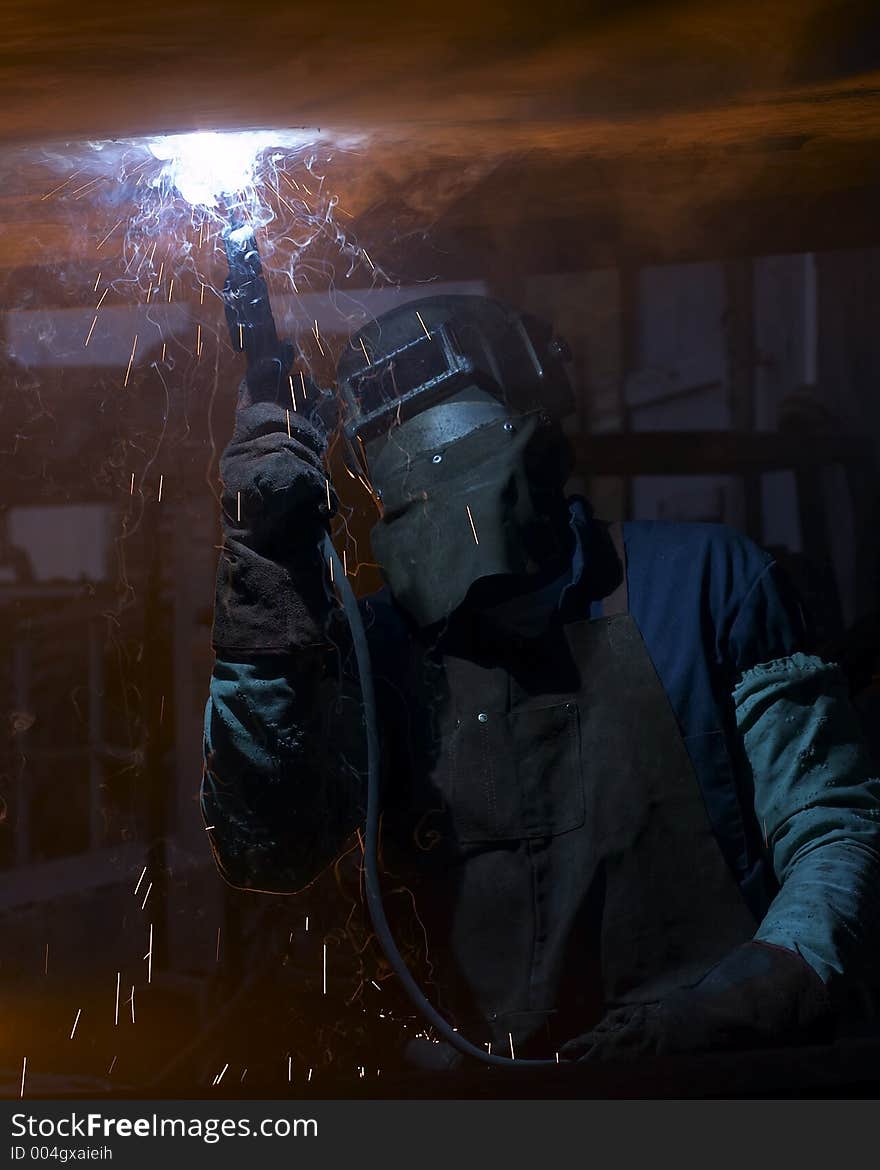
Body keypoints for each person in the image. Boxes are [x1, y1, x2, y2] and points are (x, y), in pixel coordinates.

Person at [202, 294, 880, 1068]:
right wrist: (265, 582)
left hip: (716, 1082)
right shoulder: (372, 652)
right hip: (487, 1106)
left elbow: (834, 826)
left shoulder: (705, 585)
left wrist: (750, 998)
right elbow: (265, 848)